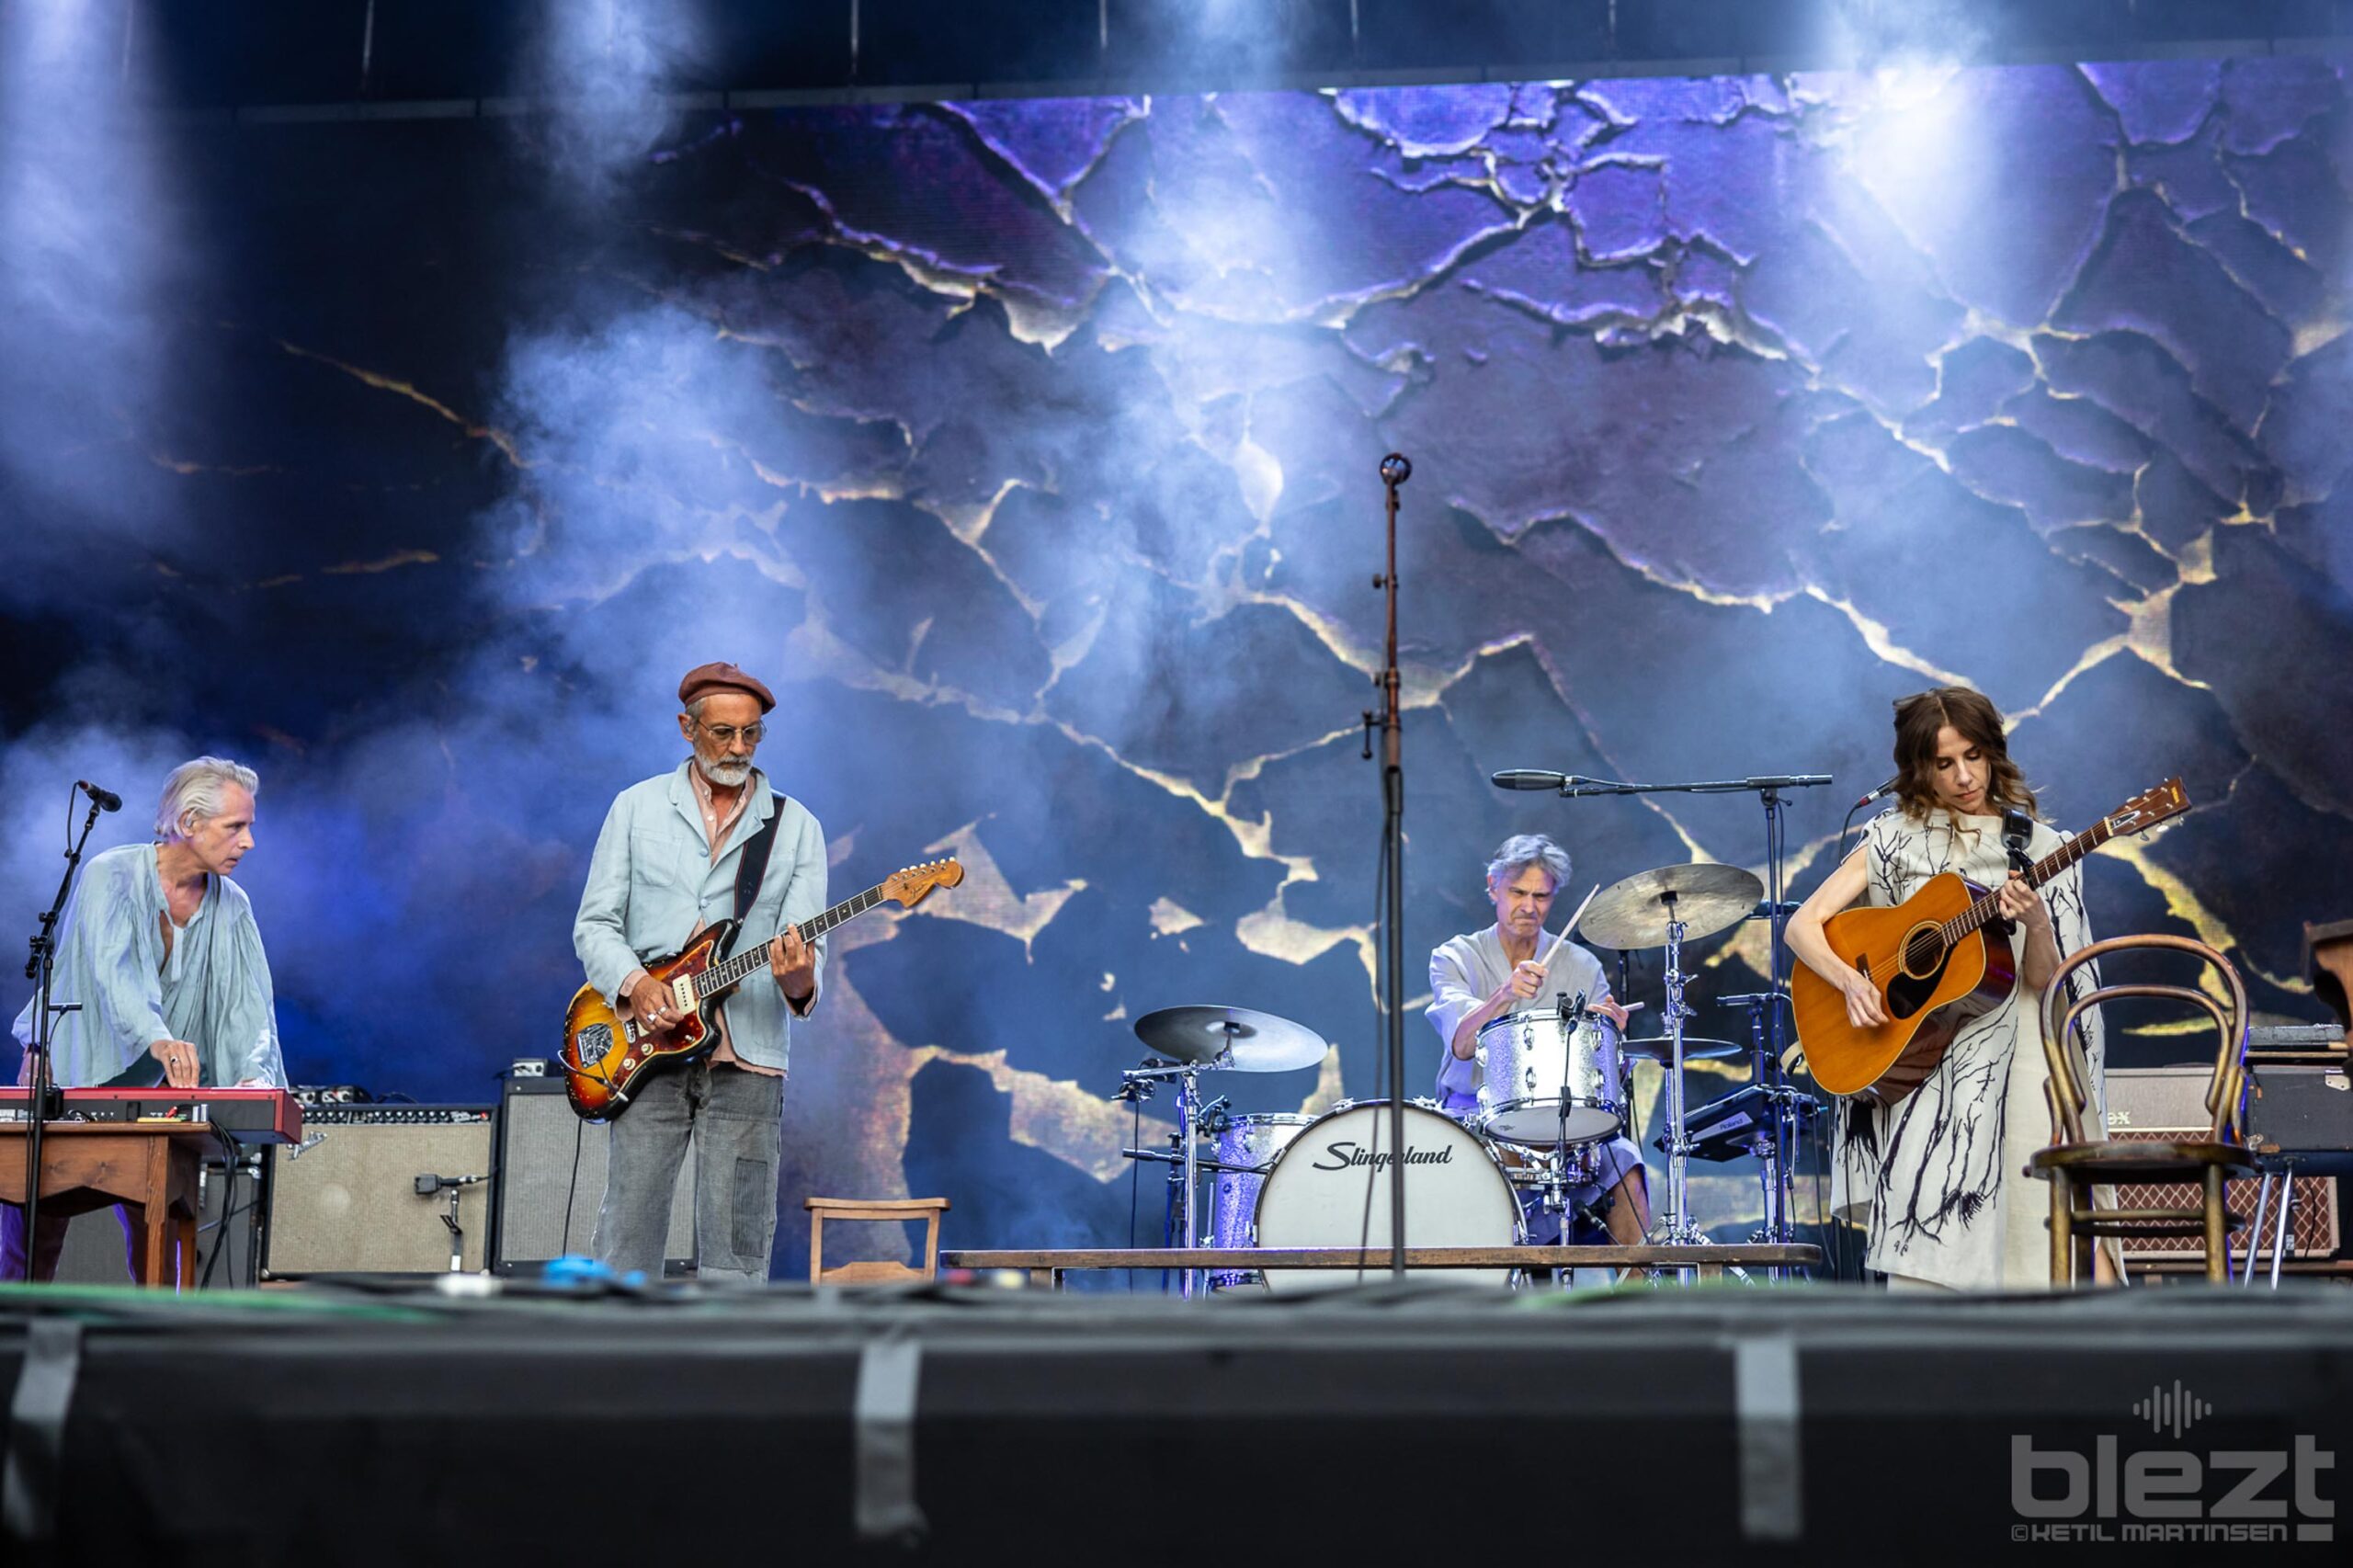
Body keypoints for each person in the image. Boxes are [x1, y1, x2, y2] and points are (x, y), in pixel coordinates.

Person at [1785, 686, 2112, 1290]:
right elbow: (1803, 927)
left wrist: (2036, 921)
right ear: (1919, 769)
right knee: (1928, 1238)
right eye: (1944, 763)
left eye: (1974, 756)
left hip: (2018, 1057)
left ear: (1994, 753)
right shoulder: (1892, 838)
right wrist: (1851, 981)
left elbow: (2050, 982)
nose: (1964, 776)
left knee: (2029, 1244)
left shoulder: (2044, 848)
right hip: (1928, 1060)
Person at [574, 662, 826, 1282]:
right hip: (645, 1045)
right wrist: (637, 984)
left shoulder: (796, 827)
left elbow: (802, 957)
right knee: (627, 1232)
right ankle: (616, 1369)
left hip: (747, 1053)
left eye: (752, 735)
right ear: (687, 728)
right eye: (723, 733)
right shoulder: (635, 808)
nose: (739, 748)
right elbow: (595, 925)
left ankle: (733, 1373)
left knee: (739, 1243)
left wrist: (799, 981)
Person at [3, 757, 286, 1281]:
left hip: (153, 1096)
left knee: (160, 1241)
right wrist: (159, 1038)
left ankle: (159, 1349)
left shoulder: (233, 905)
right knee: (31, 1246)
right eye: (235, 827)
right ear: (189, 822)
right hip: (67, 1072)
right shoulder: (109, 873)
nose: (248, 842)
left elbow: (252, 1005)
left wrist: (255, 1077)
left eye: (248, 827)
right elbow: (116, 971)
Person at [1427, 833, 1651, 1256]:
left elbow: (1606, 1080)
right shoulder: (1454, 956)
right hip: (1472, 1114)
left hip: (1562, 1125)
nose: (1529, 906)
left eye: (1541, 896)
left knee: (1624, 1159)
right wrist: (1504, 994)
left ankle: (1634, 1302)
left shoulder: (1581, 965)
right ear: (1493, 887)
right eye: (1517, 892)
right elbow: (1460, 1045)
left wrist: (1610, 1039)